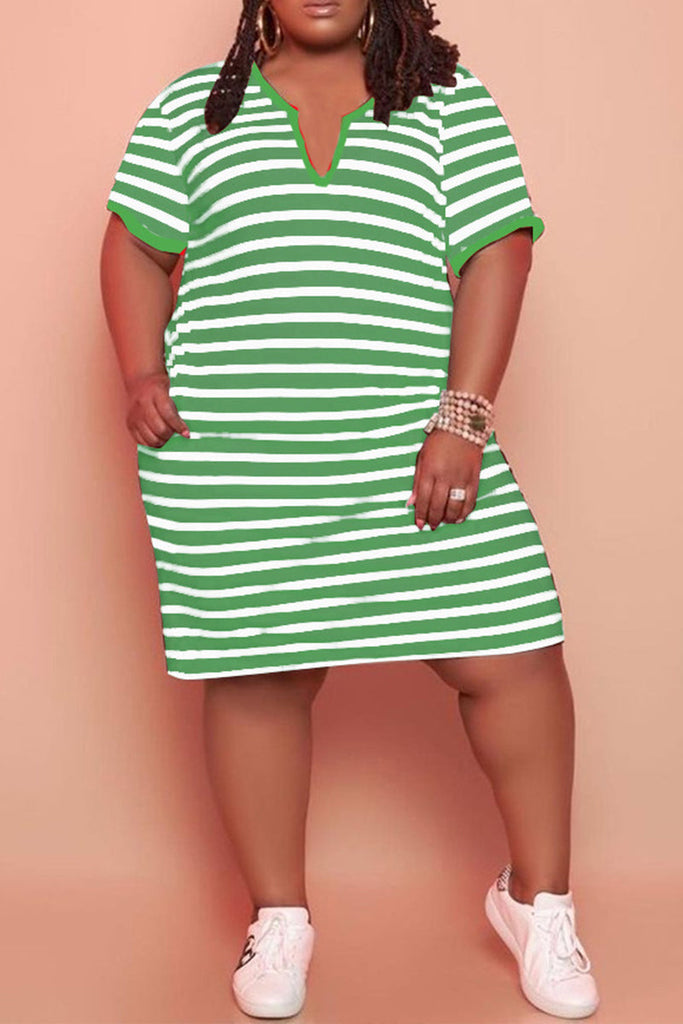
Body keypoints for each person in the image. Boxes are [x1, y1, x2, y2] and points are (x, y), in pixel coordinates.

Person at [100, 0, 600, 1019]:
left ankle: (537, 900)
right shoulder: (191, 109)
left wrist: (462, 417)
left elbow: (498, 249)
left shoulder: (446, 102)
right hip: (239, 463)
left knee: (511, 650)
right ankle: (278, 916)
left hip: (405, 451)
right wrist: (142, 368)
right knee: (257, 675)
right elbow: (135, 245)